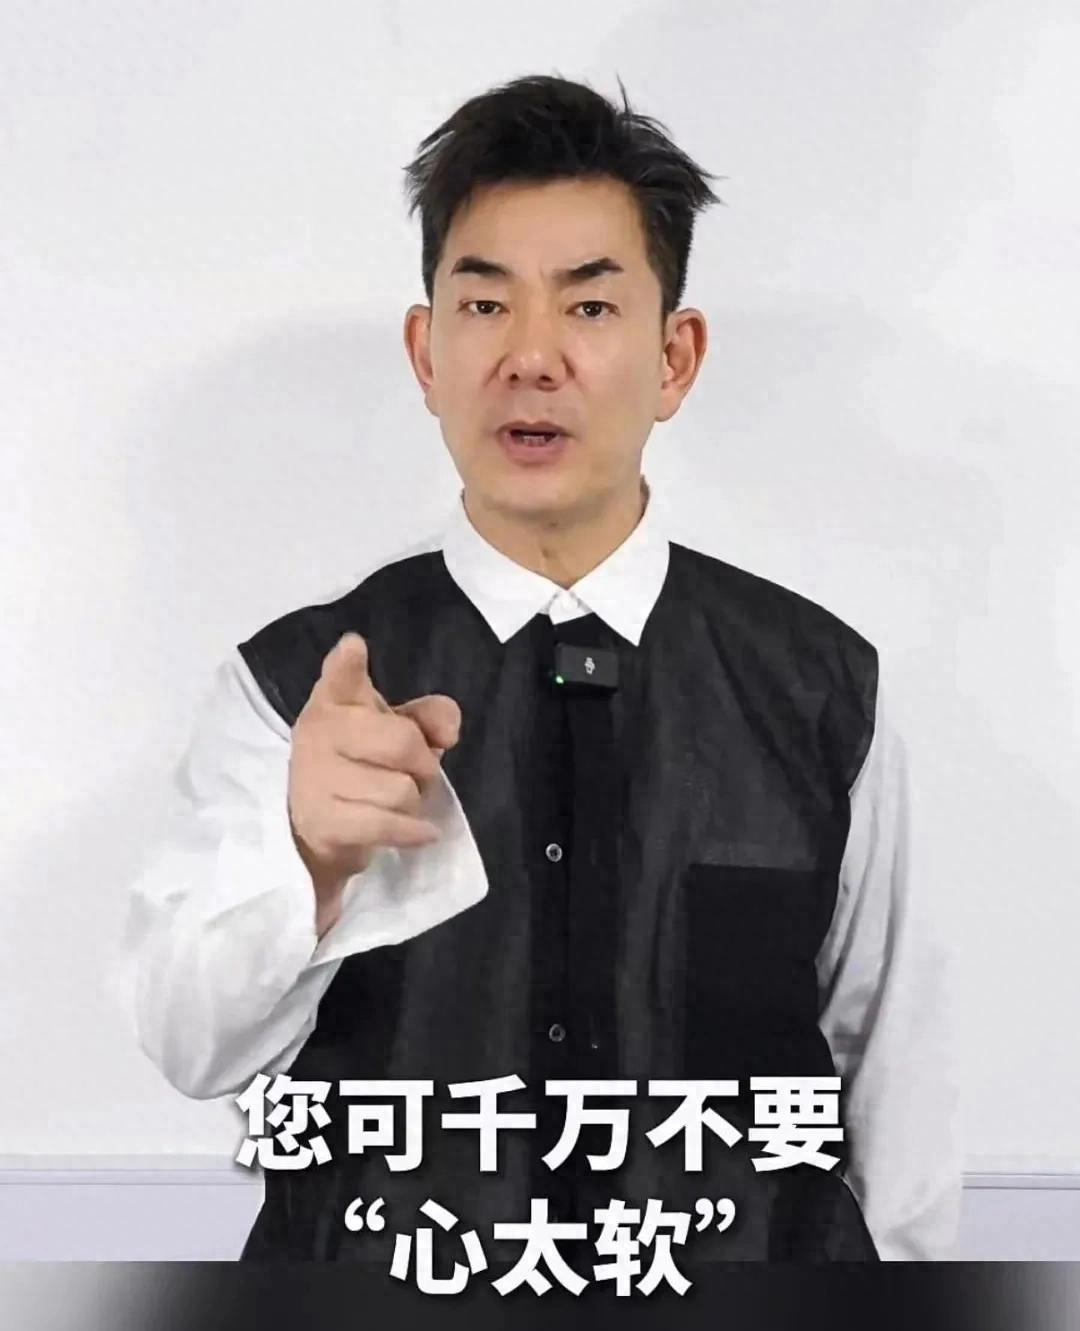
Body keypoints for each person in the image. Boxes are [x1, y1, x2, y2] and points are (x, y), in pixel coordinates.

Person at [113, 73, 961, 1266]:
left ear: (675, 357)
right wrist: (306, 860)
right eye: (484, 303)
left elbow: (896, 1073)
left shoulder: (822, 688)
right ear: (427, 351)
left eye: (591, 306)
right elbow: (188, 1042)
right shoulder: (300, 685)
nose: (531, 356)